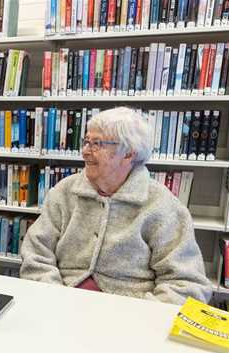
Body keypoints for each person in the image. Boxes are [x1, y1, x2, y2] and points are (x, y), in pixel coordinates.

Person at [20, 107, 212, 304]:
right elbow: (36, 254)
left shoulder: (163, 206)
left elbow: (186, 284)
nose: (85, 151)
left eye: (97, 144)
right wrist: (55, 298)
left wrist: (139, 317)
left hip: (131, 312)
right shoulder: (64, 192)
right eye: (86, 141)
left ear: (128, 153)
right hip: (61, 301)